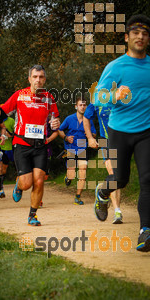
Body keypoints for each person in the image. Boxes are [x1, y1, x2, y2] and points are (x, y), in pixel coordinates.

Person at [92, 14, 150, 252]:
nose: (141, 37)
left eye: (145, 33)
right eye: (135, 33)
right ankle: (102, 192)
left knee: (148, 179)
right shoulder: (115, 67)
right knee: (120, 179)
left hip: (146, 131)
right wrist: (114, 96)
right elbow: (97, 97)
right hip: (119, 131)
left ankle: (145, 231)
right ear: (127, 37)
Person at [0, 65, 60, 226]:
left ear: (45, 79)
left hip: (41, 145)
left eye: (41, 77)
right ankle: (19, 185)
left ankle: (33, 215)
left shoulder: (49, 98)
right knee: (26, 183)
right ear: (29, 79)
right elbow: (1, 113)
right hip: (21, 144)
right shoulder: (20, 95)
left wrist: (56, 123)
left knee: (39, 181)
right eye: (35, 76)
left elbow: (55, 118)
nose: (38, 80)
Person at [83, 103, 122, 224]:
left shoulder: (124, 95)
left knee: (120, 177)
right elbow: (86, 117)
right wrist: (90, 137)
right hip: (105, 140)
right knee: (114, 173)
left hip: (122, 140)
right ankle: (117, 211)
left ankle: (102, 189)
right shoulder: (98, 99)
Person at [58, 98, 96, 205]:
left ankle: (78, 196)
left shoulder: (89, 120)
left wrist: (90, 135)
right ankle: (68, 177)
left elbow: (94, 134)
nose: (83, 107)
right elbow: (60, 130)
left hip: (82, 149)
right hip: (70, 149)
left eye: (84, 105)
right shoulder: (69, 119)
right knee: (71, 173)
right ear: (76, 106)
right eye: (80, 105)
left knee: (83, 172)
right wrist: (66, 137)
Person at [0, 115, 15, 198]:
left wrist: (8, 135)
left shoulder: (11, 120)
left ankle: (0, 183)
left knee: (4, 170)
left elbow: (16, 133)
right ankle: (1, 189)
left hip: (8, 148)